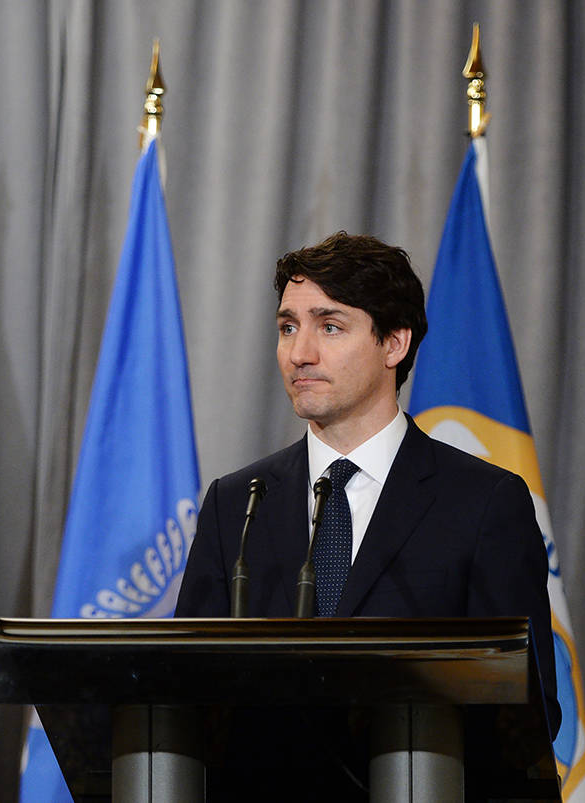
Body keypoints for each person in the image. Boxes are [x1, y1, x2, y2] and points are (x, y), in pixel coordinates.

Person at [176, 231, 560, 740]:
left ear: (394, 343)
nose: (299, 353)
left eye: (330, 327)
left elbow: (527, 708)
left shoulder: (484, 504)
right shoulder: (237, 504)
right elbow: (178, 688)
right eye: (288, 328)